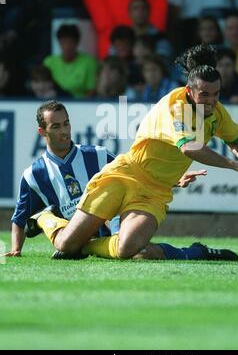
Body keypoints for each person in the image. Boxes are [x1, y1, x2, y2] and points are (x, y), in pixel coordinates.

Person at [25, 45, 238, 262]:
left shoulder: (217, 112)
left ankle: (86, 248)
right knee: (66, 244)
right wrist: (233, 164)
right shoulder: (178, 106)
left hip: (156, 191)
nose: (211, 101)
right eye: (204, 94)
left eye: (216, 94)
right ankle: (45, 218)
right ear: (190, 90)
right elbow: (189, 147)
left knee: (128, 249)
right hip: (125, 175)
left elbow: (236, 137)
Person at [3, 99, 205, 257]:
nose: (64, 131)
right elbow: (19, 218)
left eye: (66, 124)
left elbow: (136, 174)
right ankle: (195, 253)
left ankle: (195, 253)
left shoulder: (98, 155)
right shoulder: (34, 174)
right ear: (42, 132)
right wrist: (16, 249)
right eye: (55, 127)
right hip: (75, 237)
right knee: (136, 253)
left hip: (111, 228)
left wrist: (175, 180)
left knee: (138, 252)